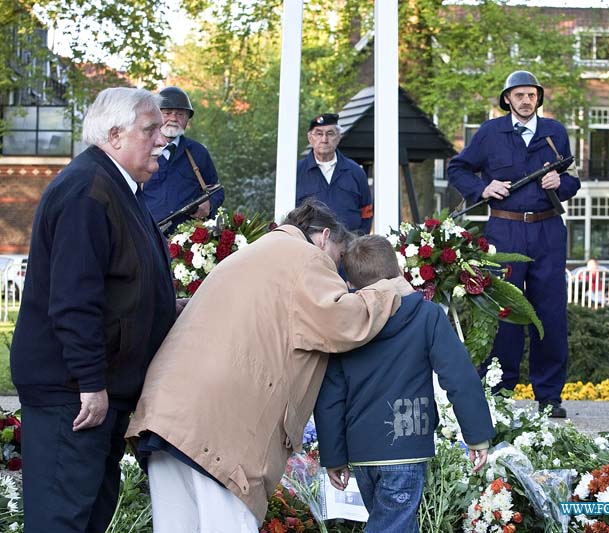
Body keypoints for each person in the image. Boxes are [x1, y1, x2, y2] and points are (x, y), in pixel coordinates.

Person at [125, 200, 413, 532]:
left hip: (168, 419)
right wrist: (388, 289)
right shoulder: (306, 258)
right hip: (218, 434)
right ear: (324, 238)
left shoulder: (255, 252)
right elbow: (344, 321)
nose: (339, 274)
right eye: (339, 259)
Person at [10, 87, 176, 532]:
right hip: (75, 396)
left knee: (86, 519)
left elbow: (127, 286)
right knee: (63, 522)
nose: (163, 139)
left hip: (94, 393)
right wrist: (90, 381)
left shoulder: (120, 189)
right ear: (115, 134)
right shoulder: (88, 191)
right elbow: (73, 299)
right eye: (151, 129)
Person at [314, 235, 495, 533]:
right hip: (407, 444)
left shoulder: (346, 323)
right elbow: (459, 376)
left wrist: (334, 456)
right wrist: (476, 435)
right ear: (397, 269)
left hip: (362, 450)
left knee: (395, 524)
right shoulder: (427, 316)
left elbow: (331, 394)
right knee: (392, 526)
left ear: (353, 281)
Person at [447, 70, 581, 418]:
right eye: (518, 95)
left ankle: (549, 397)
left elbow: (570, 181)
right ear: (507, 99)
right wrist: (483, 189)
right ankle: (499, 392)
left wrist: (559, 182)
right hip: (504, 231)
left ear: (538, 98)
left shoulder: (555, 133)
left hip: (547, 232)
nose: (525, 101)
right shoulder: (491, 133)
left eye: (531, 95)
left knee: (549, 314)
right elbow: (458, 168)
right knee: (502, 312)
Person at [141, 86, 223, 234]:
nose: (173, 118)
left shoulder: (198, 152)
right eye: (167, 113)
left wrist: (209, 205)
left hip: (187, 244)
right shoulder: (140, 150)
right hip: (147, 238)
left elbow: (216, 190)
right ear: (155, 117)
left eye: (180, 114)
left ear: (187, 119)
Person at [297, 113, 373, 234]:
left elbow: (367, 210)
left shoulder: (355, 171)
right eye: (319, 133)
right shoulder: (297, 171)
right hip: (308, 247)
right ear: (310, 138)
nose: (324, 139)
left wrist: (359, 241)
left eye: (330, 133)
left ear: (338, 137)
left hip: (349, 247)